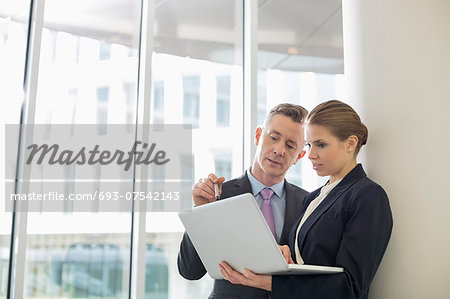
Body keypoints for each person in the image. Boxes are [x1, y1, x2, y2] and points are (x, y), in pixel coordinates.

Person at [218, 100, 393, 299]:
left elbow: (350, 288)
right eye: (309, 144)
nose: (310, 154)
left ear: (351, 143)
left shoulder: (367, 195)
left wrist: (270, 283)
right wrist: (285, 256)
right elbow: (309, 265)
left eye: (320, 145)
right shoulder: (313, 198)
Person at [177, 103, 310, 298]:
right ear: (258, 136)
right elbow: (190, 271)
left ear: (299, 156)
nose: (279, 150)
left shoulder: (309, 203)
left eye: (290, 145)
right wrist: (201, 212)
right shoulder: (220, 196)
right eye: (273, 138)